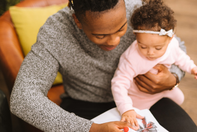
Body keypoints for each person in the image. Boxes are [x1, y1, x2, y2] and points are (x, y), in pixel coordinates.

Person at [9, 0, 197, 132]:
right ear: (77, 21)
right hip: (86, 106)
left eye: (122, 28)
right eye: (100, 35)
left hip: (145, 98)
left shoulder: (137, 10)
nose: (115, 40)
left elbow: (174, 45)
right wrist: (89, 129)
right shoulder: (56, 32)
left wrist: (172, 77)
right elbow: (22, 98)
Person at [111, 0, 197, 130]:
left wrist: (192, 68)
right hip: (139, 97)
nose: (150, 53)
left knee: (180, 98)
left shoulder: (172, 45)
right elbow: (119, 83)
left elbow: (180, 58)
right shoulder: (131, 57)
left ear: (170, 38)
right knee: (140, 121)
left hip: (163, 89)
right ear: (136, 36)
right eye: (143, 46)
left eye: (158, 48)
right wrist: (126, 109)